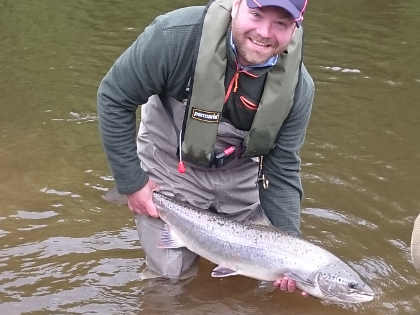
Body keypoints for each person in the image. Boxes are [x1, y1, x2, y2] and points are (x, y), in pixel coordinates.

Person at [97, 0, 314, 294]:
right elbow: (114, 96)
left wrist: (290, 248)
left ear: (296, 26)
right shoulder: (174, 37)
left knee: (252, 282)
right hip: (171, 162)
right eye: (256, 14)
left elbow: (283, 167)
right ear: (236, 4)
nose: (264, 32)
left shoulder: (299, 88)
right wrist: (132, 183)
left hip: (241, 173)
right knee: (169, 281)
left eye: (281, 23)